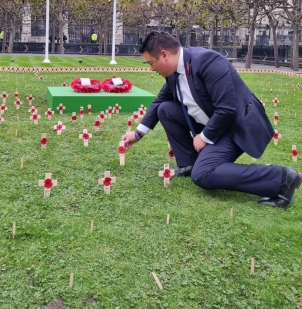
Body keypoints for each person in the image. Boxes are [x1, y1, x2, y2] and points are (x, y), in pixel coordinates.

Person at [122, 31, 302, 208]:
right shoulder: (173, 74)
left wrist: (205, 137)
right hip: (214, 123)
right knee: (165, 109)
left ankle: (282, 178)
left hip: (235, 127)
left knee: (203, 174)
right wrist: (137, 134)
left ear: (164, 55)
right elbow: (160, 100)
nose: (151, 68)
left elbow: (228, 109)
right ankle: (189, 164)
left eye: (151, 63)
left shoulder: (209, 61)